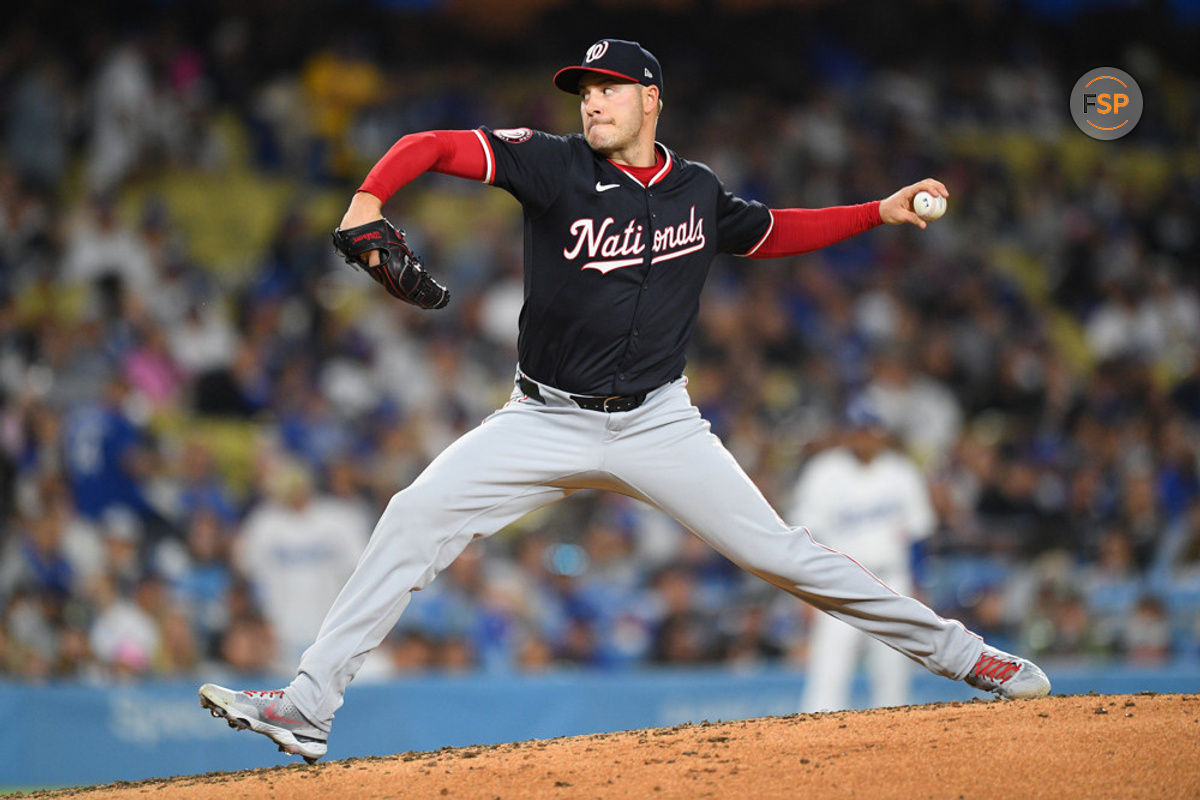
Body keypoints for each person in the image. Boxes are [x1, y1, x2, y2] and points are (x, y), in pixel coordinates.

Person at [199, 39, 1049, 763]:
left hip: (658, 422)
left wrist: (877, 212)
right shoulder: (551, 163)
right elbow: (431, 144)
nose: (592, 103)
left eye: (608, 90)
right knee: (413, 515)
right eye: (583, 91)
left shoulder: (698, 189)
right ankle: (309, 708)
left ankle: (972, 660)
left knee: (782, 556)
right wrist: (367, 200)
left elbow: (769, 231)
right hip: (541, 418)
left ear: (651, 101)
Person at [789, 396, 935, 711]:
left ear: (881, 433)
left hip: (891, 581)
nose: (864, 436)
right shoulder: (824, 472)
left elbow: (918, 536)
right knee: (827, 677)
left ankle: (894, 751)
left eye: (870, 430)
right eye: (858, 430)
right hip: (839, 583)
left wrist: (919, 585)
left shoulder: (901, 472)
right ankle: (814, 745)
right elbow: (806, 536)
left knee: (893, 678)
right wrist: (806, 591)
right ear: (848, 433)